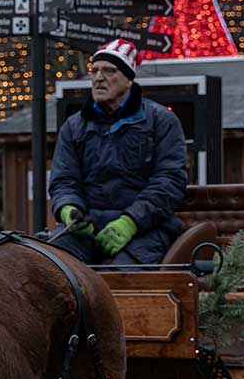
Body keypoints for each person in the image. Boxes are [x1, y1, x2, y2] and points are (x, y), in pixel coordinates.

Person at [49, 39, 188, 265]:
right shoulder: (74, 127)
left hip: (146, 230)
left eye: (109, 71)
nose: (98, 78)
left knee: (118, 281)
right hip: (85, 229)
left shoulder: (161, 121)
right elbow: (64, 180)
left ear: (129, 79)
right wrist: (69, 210)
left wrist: (130, 222)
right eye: (94, 71)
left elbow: (169, 181)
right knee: (48, 270)